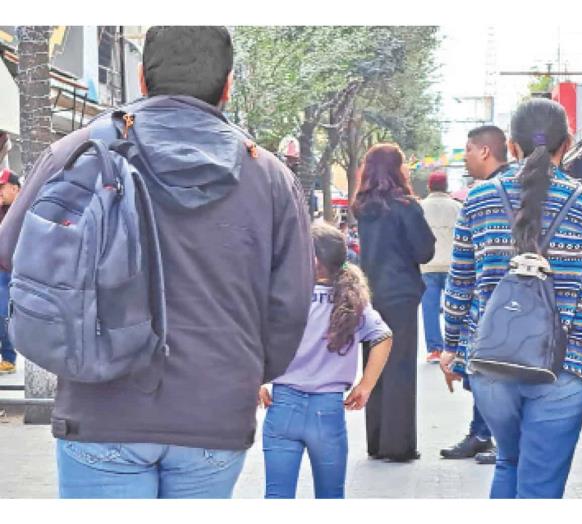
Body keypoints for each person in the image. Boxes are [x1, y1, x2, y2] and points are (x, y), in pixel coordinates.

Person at [0, 26, 314, 499]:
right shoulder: (269, 176)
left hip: (99, 407)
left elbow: (12, 251)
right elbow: (291, 305)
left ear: (143, 79)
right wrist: (242, 369)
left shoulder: (77, 151)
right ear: (228, 85)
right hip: (215, 413)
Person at [443, 98, 582, 498]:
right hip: (565, 366)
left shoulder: (478, 199)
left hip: (491, 364)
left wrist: (451, 349)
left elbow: (459, 284)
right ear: (568, 143)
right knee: (540, 485)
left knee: (509, 461)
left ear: (512, 146)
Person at [259, 223, 392, 498]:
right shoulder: (352, 301)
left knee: (277, 497)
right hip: (328, 410)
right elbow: (383, 336)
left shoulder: (284, 296)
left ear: (311, 259)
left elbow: (252, 334)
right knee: (331, 496)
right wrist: (365, 385)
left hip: (282, 405)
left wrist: (256, 380)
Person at [352, 143, 435, 461]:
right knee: (399, 365)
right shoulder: (406, 207)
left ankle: (376, 441)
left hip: (370, 294)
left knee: (374, 364)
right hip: (400, 294)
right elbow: (424, 251)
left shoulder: (363, 207)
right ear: (398, 169)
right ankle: (397, 444)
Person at [439, 125, 513, 464]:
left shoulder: (481, 197)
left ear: (485, 151)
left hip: (493, 310)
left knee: (493, 376)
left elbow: (462, 275)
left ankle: (497, 439)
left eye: (468, 149)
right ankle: (483, 434)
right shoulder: (525, 188)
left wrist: (450, 343)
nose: (465, 157)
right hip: (517, 310)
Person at [419, 171, 461, 364]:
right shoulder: (457, 207)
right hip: (454, 265)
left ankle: (435, 349)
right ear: (446, 186)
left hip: (428, 265)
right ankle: (456, 348)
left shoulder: (420, 208)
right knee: (456, 308)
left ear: (429, 187)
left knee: (430, 308)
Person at [0, 168, 20, 375]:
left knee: (4, 312)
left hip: (13, 269)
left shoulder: (22, 207)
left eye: (2, 188)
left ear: (15, 188)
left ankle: (8, 358)